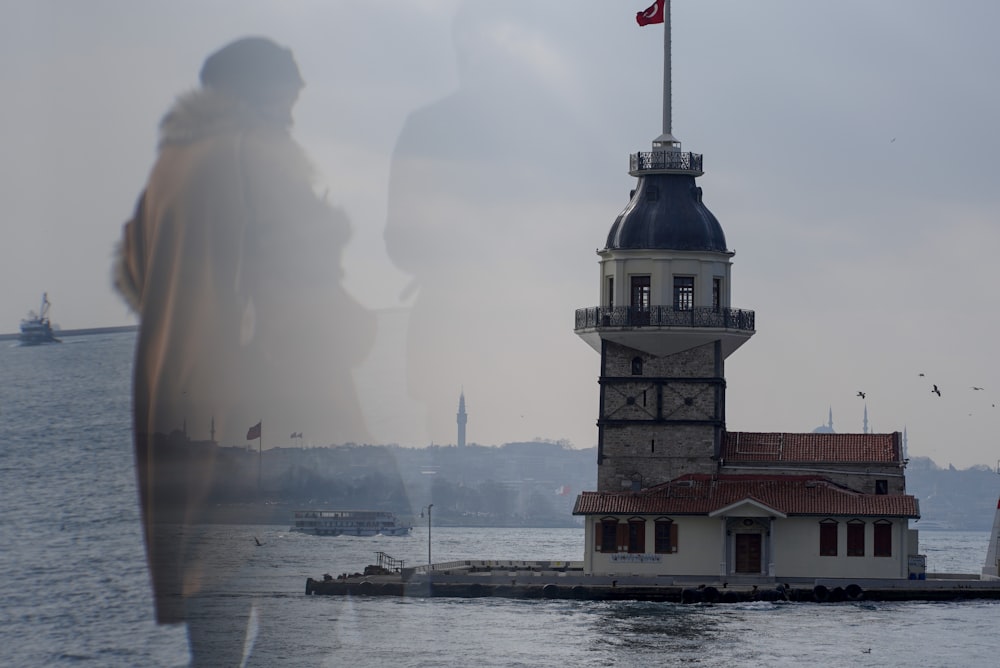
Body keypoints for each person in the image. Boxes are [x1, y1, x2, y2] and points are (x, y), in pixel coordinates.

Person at [113, 36, 373, 664]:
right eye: (287, 97)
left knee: (217, 630)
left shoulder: (170, 172)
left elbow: (131, 274)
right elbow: (301, 300)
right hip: (279, 438)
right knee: (303, 630)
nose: (293, 111)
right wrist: (354, 327)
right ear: (258, 95)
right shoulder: (258, 160)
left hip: (191, 434)